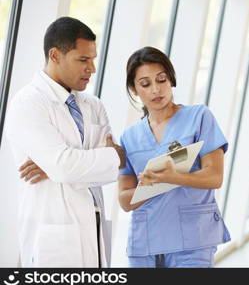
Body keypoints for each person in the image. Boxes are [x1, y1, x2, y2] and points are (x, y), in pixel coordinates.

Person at [5, 17, 125, 267]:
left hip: (93, 227)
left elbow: (115, 165)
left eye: (92, 59)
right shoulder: (28, 103)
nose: (91, 68)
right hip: (54, 238)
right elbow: (65, 166)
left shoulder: (93, 105)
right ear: (55, 55)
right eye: (83, 60)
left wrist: (58, 165)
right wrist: (63, 166)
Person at [118, 46, 230, 268]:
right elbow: (124, 200)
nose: (155, 90)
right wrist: (149, 185)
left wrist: (172, 177)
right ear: (134, 90)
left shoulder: (198, 117)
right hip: (145, 245)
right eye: (145, 84)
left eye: (161, 80)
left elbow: (214, 177)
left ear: (171, 80)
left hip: (192, 242)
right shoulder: (129, 137)